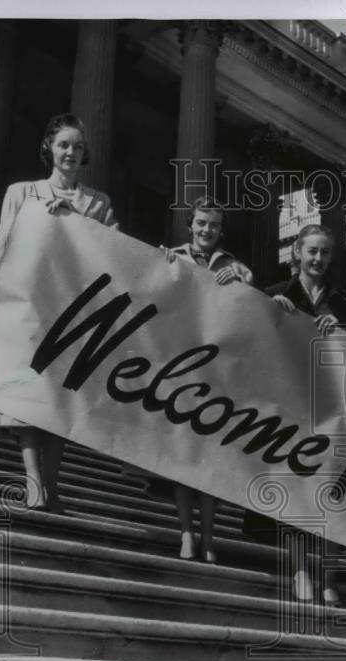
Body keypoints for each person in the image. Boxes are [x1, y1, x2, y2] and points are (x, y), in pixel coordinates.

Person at [0, 113, 117, 513]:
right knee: (26, 393)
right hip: (27, 305)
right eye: (64, 145)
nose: (71, 152)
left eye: (78, 147)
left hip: (75, 311)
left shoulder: (98, 203)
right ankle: (34, 482)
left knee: (59, 399)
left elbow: (114, 252)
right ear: (49, 149)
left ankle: (51, 486)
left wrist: (74, 221)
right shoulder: (21, 192)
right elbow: (3, 246)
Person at [254, 223, 346, 606]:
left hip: (331, 410)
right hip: (289, 409)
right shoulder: (276, 295)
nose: (318, 259)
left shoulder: (345, 305)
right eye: (312, 251)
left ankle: (329, 574)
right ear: (297, 253)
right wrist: (271, 314)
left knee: (331, 493)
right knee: (298, 494)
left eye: (325, 253)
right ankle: (301, 570)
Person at [155, 196, 253, 562]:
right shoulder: (172, 256)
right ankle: (185, 533)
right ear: (190, 225)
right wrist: (160, 268)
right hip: (180, 368)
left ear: (220, 230)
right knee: (183, 457)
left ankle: (209, 538)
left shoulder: (234, 267)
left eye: (213, 225)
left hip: (217, 372)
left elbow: (249, 314)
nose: (206, 230)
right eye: (200, 223)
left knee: (210, 459)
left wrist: (244, 281)